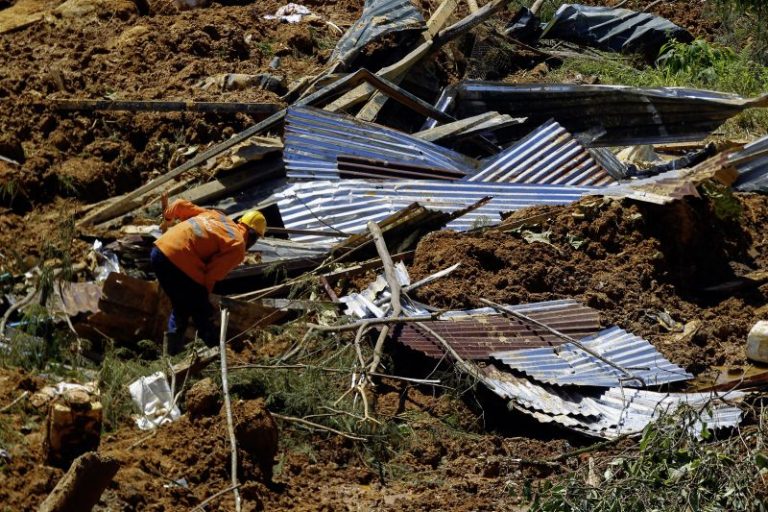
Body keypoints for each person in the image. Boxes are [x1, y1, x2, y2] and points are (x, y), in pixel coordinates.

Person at [150, 194, 266, 354]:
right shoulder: (237, 246)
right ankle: (218, 353)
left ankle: (171, 356)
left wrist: (168, 217)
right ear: (253, 237)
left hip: (158, 252)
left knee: (182, 307)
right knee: (201, 311)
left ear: (242, 222)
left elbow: (179, 205)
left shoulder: (218, 216)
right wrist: (204, 296)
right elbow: (211, 274)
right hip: (180, 263)